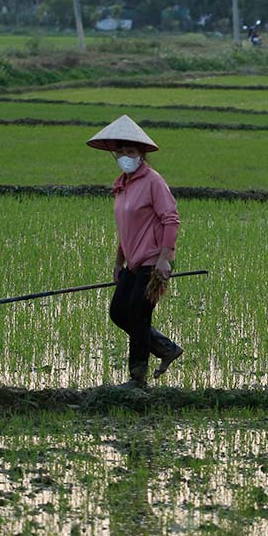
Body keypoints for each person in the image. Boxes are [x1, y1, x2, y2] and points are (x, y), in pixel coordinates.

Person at [86, 115, 183, 385]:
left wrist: (165, 259)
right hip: (132, 262)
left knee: (138, 314)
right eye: (120, 152)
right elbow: (126, 229)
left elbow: (171, 218)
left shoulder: (153, 181)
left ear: (142, 154)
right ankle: (165, 347)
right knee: (119, 312)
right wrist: (118, 262)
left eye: (130, 151)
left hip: (153, 261)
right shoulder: (122, 186)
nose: (125, 156)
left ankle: (137, 378)